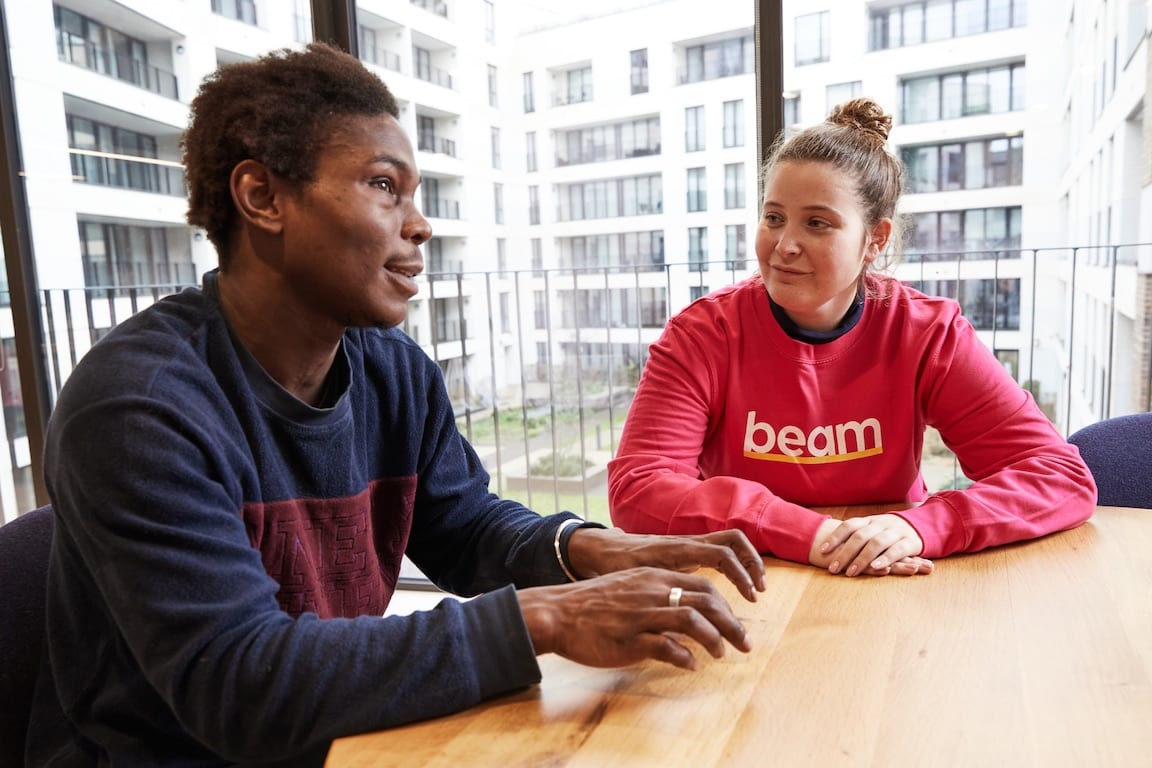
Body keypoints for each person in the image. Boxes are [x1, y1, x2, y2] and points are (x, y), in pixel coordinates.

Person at [26, 43, 767, 767]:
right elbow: (240, 684)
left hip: (342, 741)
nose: (420, 225)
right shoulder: (137, 408)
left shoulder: (393, 370)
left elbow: (462, 526)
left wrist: (587, 550)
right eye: (385, 186)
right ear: (263, 198)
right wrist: (545, 616)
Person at [608, 98, 1096, 579]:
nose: (784, 245)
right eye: (774, 217)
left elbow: (1060, 477)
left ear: (875, 240)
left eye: (817, 223)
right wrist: (811, 534)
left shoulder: (927, 333)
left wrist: (922, 526)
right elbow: (639, 488)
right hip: (752, 578)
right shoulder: (701, 334)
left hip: (888, 571)